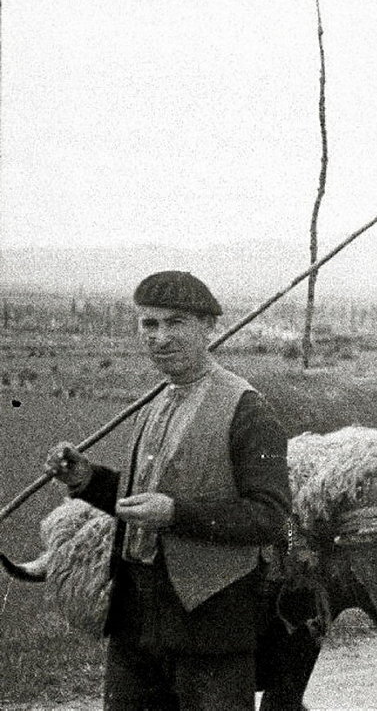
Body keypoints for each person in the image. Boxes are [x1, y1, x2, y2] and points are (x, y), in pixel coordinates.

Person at [44, 271, 290, 711]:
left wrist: (176, 514)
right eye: (149, 324)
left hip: (211, 628)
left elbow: (269, 517)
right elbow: (143, 501)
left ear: (208, 328)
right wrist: (87, 480)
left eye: (175, 323)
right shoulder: (154, 405)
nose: (159, 337)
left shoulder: (248, 411)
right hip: (136, 626)